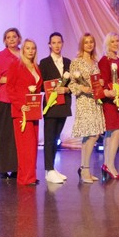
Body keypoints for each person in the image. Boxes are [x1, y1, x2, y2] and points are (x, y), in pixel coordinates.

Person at [69, 33, 105, 184]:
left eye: (91, 42)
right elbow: (71, 84)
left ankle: (85, 168)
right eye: (86, 42)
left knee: (92, 136)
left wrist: (101, 83)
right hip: (84, 101)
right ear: (82, 45)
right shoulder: (76, 62)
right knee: (91, 136)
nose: (89, 45)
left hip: (95, 101)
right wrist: (82, 88)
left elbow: (96, 82)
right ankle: (85, 169)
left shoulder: (95, 62)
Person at [38, 32, 72, 185]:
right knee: (49, 137)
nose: (57, 45)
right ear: (49, 45)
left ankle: (51, 168)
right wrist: (51, 89)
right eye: (54, 42)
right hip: (51, 105)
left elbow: (73, 84)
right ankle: (48, 169)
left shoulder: (68, 62)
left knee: (56, 138)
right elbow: (41, 85)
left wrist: (67, 89)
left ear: (62, 43)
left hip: (63, 105)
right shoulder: (44, 63)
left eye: (59, 42)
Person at [0, 28, 21, 180]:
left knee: (18, 134)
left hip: (21, 100)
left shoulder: (25, 54)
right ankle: (2, 169)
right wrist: (7, 80)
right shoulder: (0, 57)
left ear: (19, 39)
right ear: (5, 41)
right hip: (4, 98)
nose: (12, 39)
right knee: (4, 133)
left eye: (14, 36)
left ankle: (16, 168)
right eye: (8, 37)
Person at [9, 39, 42, 186]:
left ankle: (30, 176)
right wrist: (20, 105)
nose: (31, 51)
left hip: (33, 111)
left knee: (33, 145)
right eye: (28, 48)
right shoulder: (16, 65)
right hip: (21, 111)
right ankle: (25, 178)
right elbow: (10, 89)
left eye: (33, 48)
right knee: (25, 146)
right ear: (23, 50)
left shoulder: (36, 67)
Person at [99, 32, 119, 181]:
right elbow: (103, 81)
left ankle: (106, 164)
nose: (116, 43)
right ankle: (110, 165)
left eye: (117, 41)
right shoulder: (105, 60)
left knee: (112, 134)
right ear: (107, 44)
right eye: (113, 41)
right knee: (116, 132)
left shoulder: (118, 59)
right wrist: (110, 92)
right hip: (110, 101)